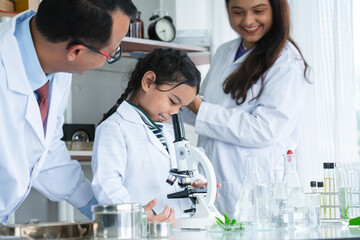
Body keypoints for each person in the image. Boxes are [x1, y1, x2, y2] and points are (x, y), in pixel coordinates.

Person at [0, 0, 136, 224]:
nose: (110, 58)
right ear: (76, 51)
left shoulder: (55, 67)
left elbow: (45, 151)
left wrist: (110, 213)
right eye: (112, 53)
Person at [183, 0, 310, 217]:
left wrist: (198, 106)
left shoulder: (286, 61)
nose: (248, 21)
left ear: (276, 10)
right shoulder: (224, 52)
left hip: (255, 187)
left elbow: (265, 129)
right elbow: (201, 109)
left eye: (258, 11)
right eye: (238, 12)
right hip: (213, 182)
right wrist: (177, 97)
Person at [91, 48, 205, 220]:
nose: (174, 112)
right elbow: (106, 184)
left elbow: (184, 169)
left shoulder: (168, 132)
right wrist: (136, 217)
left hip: (177, 226)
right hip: (141, 229)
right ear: (149, 82)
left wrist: (198, 183)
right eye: (173, 101)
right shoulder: (115, 128)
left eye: (180, 108)